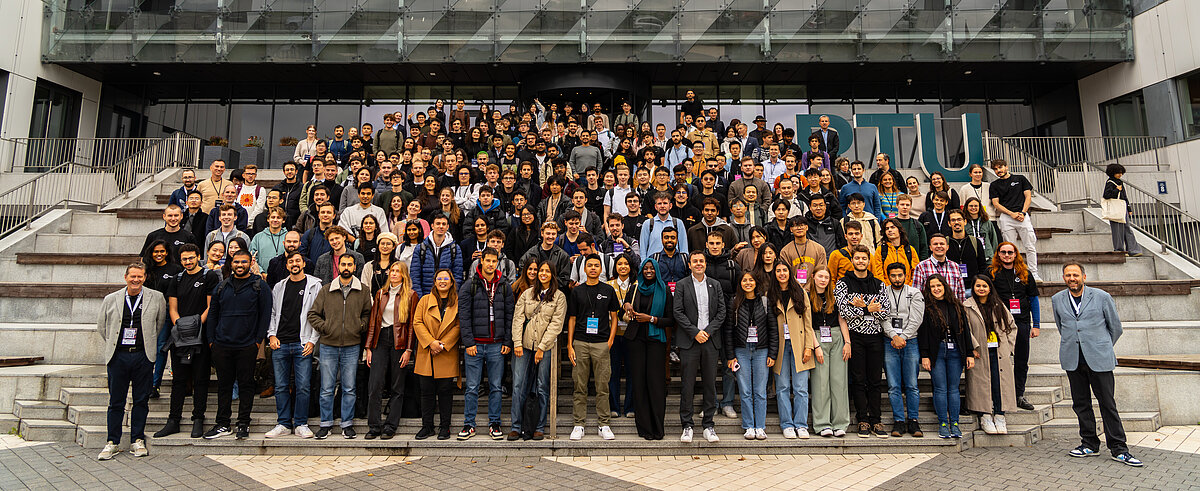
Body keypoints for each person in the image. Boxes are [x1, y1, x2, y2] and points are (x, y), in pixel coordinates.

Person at [1053, 263, 1142, 466]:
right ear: (1064, 277)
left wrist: (1102, 347)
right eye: (1068, 275)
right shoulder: (1057, 299)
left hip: (1099, 359)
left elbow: (1115, 327)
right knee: (1081, 404)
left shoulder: (1101, 297)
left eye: (1075, 274)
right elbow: (1062, 327)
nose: (1072, 278)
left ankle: (1119, 448)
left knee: (1107, 404)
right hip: (1073, 359)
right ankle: (1089, 444)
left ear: (1084, 276)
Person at [96, 264, 168, 461]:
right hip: (118, 356)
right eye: (133, 276)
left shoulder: (157, 298)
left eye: (140, 276)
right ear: (125, 277)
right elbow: (102, 326)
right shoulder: (111, 299)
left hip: (142, 356)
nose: (136, 280)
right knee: (116, 401)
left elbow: (159, 324)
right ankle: (112, 441)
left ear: (145, 278)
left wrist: (147, 345)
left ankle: (137, 439)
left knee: (141, 400)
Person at [204, 250, 273, 441]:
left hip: (247, 345)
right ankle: (223, 424)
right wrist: (212, 341)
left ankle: (243, 423)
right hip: (222, 345)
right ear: (231, 263)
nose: (240, 265)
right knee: (224, 386)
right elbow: (213, 315)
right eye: (236, 262)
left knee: (246, 385)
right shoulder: (222, 286)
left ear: (250, 263)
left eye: (244, 262)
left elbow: (265, 315)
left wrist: (257, 341)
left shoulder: (260, 286)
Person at [152, 244, 217, 439]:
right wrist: (181, 327)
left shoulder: (208, 276)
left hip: (200, 336)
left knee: (200, 379)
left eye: (191, 258)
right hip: (180, 337)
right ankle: (173, 420)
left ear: (198, 257)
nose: (188, 262)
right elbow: (172, 308)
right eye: (184, 259)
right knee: (178, 380)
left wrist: (194, 327)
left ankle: (198, 419)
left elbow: (210, 306)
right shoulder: (177, 279)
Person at [307, 254, 372, 439]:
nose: (346, 267)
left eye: (349, 264)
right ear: (338, 266)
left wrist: (359, 326)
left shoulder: (363, 290)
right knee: (327, 388)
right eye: (343, 264)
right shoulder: (327, 289)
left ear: (354, 267)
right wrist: (326, 327)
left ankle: (347, 424)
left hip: (352, 345)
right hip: (328, 345)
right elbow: (313, 314)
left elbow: (368, 314)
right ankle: (325, 424)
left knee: (349, 387)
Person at [456, 248, 515, 441]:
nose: (490, 264)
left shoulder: (504, 286)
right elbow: (464, 317)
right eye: (487, 260)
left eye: (493, 261)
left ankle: (494, 423)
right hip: (475, 344)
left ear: (497, 262)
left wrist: (507, 340)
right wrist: (468, 342)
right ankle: (469, 424)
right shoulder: (469, 285)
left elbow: (510, 316)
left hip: (497, 345)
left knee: (496, 387)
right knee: (472, 387)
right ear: (481, 261)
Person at [834, 245, 892, 438]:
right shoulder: (843, 283)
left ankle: (876, 420)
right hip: (855, 336)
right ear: (852, 260)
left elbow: (885, 311)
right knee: (858, 380)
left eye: (864, 258)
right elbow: (844, 311)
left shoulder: (879, 284)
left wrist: (860, 307)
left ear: (869, 260)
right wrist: (869, 309)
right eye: (857, 258)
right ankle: (863, 420)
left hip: (875, 336)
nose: (860, 261)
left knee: (875, 380)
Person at [264, 251, 322, 439]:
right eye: (291, 262)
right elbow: (272, 313)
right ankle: (283, 424)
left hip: (302, 343)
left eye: (298, 261)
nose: (295, 264)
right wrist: (272, 335)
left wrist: (312, 340)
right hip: (280, 343)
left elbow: (319, 314)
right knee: (281, 386)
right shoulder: (279, 286)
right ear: (287, 265)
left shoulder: (315, 285)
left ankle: (301, 424)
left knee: (303, 386)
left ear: (304, 264)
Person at [673, 253, 726, 443]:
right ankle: (687, 425)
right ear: (689, 265)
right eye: (695, 261)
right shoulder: (681, 285)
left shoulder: (715, 285)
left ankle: (709, 425)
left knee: (710, 384)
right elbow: (677, 312)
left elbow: (722, 312)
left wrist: (707, 332)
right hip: (690, 341)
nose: (698, 264)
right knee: (687, 384)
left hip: (710, 341)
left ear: (705, 264)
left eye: (701, 261)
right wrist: (695, 332)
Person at [566, 254, 620, 441]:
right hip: (580, 342)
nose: (593, 268)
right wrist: (570, 344)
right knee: (579, 386)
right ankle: (578, 424)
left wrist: (610, 340)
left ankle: (604, 424)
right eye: (590, 265)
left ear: (601, 269)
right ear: (584, 269)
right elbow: (572, 319)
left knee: (602, 386)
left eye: (597, 265)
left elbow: (614, 317)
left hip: (601, 343)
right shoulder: (577, 291)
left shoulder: (608, 290)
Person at [363, 261, 418, 440]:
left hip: (399, 341)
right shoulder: (381, 293)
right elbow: (373, 321)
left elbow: (412, 325)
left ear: (404, 275)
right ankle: (374, 426)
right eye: (392, 270)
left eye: (397, 271)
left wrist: (408, 349)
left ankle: (390, 426)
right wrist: (368, 347)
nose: (393, 273)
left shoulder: (411, 295)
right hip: (380, 340)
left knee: (397, 386)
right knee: (375, 385)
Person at [918, 273, 976, 439]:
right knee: (940, 388)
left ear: (945, 286)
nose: (936, 289)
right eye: (932, 287)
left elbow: (965, 331)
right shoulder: (926, 307)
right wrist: (925, 355)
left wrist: (969, 353)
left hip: (955, 351)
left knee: (953, 389)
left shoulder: (956, 305)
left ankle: (955, 424)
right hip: (937, 352)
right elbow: (923, 333)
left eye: (939, 285)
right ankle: (943, 423)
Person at [768, 261, 818, 439]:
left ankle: (801, 424)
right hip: (780, 346)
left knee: (801, 388)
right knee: (782, 387)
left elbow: (808, 322)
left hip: (799, 344)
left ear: (790, 273)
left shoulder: (800, 293)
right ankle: (787, 424)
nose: (782, 273)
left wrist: (809, 347)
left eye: (785, 270)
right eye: (778, 271)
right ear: (774, 274)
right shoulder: (770, 295)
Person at [963, 274, 1017, 435]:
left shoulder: (998, 305)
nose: (981, 289)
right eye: (978, 286)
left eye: (984, 286)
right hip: (980, 352)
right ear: (973, 288)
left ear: (989, 288)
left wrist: (1009, 348)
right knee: (981, 384)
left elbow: (1011, 327)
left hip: (998, 351)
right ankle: (985, 415)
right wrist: (973, 347)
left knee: (999, 384)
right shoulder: (967, 306)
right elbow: (965, 329)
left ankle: (1000, 415)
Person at [725, 271, 776, 440]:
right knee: (745, 390)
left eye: (751, 280)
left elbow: (773, 329)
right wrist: (730, 356)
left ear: (756, 282)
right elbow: (728, 331)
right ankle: (748, 426)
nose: (748, 283)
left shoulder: (765, 302)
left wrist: (772, 353)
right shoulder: (734, 302)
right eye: (744, 280)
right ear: (740, 283)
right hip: (741, 350)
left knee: (760, 391)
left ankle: (760, 426)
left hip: (762, 350)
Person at [413, 269, 462, 441]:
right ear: (434, 281)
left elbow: (458, 325)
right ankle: (427, 426)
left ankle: (444, 427)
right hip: (427, 351)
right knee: (426, 391)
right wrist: (431, 342)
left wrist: (442, 344)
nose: (442, 281)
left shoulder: (456, 301)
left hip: (446, 352)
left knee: (445, 391)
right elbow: (417, 322)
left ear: (451, 282)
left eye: (446, 278)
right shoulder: (425, 300)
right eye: (439, 278)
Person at [807, 266, 851, 437]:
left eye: (826, 277)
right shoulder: (807, 296)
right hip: (817, 337)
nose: (823, 280)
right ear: (813, 277)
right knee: (820, 383)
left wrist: (847, 342)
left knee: (839, 382)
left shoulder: (835, 296)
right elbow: (807, 323)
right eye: (820, 276)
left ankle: (840, 423)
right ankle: (822, 424)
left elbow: (842, 320)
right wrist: (815, 346)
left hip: (836, 336)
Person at [882, 263, 925, 437]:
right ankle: (899, 421)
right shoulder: (883, 292)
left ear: (906, 276)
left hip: (911, 341)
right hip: (889, 341)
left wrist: (903, 337)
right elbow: (882, 317)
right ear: (888, 276)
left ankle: (913, 420)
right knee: (893, 385)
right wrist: (894, 336)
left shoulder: (915, 293)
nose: (897, 279)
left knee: (912, 385)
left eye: (900, 275)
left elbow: (917, 319)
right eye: (893, 275)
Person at [989, 159, 1042, 281]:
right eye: (995, 169)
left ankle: (1034, 273)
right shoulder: (994, 185)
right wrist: (1011, 214)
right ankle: (1012, 273)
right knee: (1009, 249)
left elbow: (1028, 197)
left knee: (1030, 246)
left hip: (1023, 216)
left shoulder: (1020, 179)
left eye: (1000, 167)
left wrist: (1023, 212)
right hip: (1006, 218)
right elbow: (996, 203)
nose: (998, 170)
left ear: (1006, 167)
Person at [411, 215, 464, 296]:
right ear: (432, 226)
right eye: (438, 224)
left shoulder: (455, 249)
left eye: (444, 224)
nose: (441, 226)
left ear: (447, 227)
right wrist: (420, 297)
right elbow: (415, 276)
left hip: (447, 296)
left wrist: (452, 296)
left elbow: (457, 276)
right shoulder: (421, 248)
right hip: (425, 295)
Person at [1103, 164, 1143, 256]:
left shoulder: (1120, 182)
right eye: (1118, 173)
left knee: (1127, 228)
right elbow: (1106, 195)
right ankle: (1119, 250)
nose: (1120, 174)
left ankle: (1133, 250)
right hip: (1115, 208)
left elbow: (1124, 196)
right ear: (1113, 173)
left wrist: (1129, 208)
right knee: (1117, 229)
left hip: (1122, 207)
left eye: (1121, 173)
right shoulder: (1110, 182)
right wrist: (1117, 190)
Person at [912, 234, 968, 301]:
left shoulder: (955, 267)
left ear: (947, 247)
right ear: (930, 247)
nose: (939, 246)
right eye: (935, 244)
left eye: (942, 244)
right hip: (930, 306)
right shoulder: (921, 267)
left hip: (952, 306)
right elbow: (916, 294)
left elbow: (961, 293)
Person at [869, 218, 918, 284]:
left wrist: (908, 287)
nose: (889, 230)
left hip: (907, 287)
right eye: (887, 228)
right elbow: (878, 273)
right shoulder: (880, 250)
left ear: (899, 230)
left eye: (892, 227)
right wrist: (887, 287)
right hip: (886, 288)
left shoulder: (910, 250)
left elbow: (915, 272)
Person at [947, 209, 988, 280]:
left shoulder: (975, 242)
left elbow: (982, 265)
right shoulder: (945, 242)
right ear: (949, 223)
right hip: (951, 284)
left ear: (965, 221)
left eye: (959, 219)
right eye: (953, 220)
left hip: (972, 284)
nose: (956, 222)